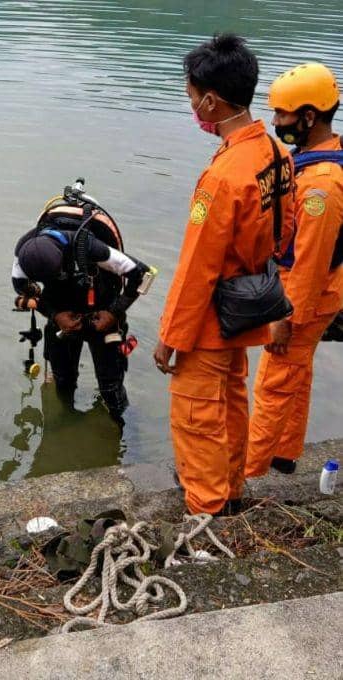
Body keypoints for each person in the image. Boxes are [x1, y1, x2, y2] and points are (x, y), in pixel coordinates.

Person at [154, 34, 295, 516]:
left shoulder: (222, 177)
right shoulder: (278, 154)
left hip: (212, 320)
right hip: (249, 307)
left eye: (192, 96)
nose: (192, 105)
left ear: (211, 100)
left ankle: (207, 512)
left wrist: (171, 335)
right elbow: (287, 229)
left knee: (197, 417)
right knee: (233, 404)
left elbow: (198, 267)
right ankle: (232, 491)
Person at [246, 63, 343, 477]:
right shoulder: (319, 160)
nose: (275, 122)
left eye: (283, 115)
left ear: (309, 116)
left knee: (274, 382)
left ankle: (242, 474)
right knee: (297, 374)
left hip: (304, 297)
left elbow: (311, 259)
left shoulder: (321, 185)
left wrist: (285, 316)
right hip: (318, 292)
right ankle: (284, 453)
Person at [11, 181, 154, 426]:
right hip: (62, 316)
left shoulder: (91, 247)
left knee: (111, 385)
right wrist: (55, 315)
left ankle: (120, 426)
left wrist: (113, 313)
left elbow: (142, 274)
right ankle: (62, 430)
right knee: (63, 381)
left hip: (103, 311)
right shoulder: (24, 253)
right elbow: (25, 292)